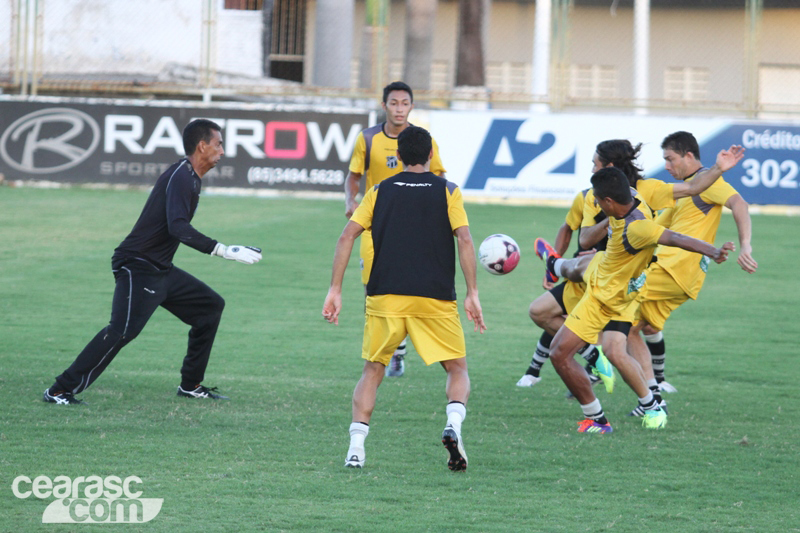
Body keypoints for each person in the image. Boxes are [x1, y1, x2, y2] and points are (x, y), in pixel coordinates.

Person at [43, 119, 262, 405]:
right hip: (137, 265)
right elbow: (178, 228)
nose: (223, 150)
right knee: (122, 331)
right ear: (202, 146)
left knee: (209, 308)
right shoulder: (183, 177)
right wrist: (223, 250)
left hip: (160, 270)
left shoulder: (191, 177)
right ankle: (59, 390)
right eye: (219, 144)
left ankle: (191, 385)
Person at [323, 126, 485, 471]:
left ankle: (356, 449)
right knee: (457, 368)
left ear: (399, 155)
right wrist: (472, 293)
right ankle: (453, 426)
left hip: (384, 296)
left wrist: (335, 289)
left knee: (372, 370)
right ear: (430, 155)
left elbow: (346, 235)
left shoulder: (380, 190)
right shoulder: (448, 191)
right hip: (434, 297)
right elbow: (466, 240)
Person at [538, 165, 736, 433]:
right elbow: (691, 187)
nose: (594, 202)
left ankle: (597, 419)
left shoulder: (638, 228)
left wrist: (714, 252)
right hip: (622, 283)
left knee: (559, 354)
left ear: (609, 201)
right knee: (583, 271)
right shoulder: (635, 196)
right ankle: (652, 405)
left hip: (604, 296)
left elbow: (675, 238)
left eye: (597, 198)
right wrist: (720, 167)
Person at [625, 131, 758, 415]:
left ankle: (593, 367)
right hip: (680, 278)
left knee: (612, 317)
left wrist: (745, 246)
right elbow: (656, 231)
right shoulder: (684, 190)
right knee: (634, 329)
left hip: (672, 270)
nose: (668, 166)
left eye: (670, 159)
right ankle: (653, 397)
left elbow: (740, 204)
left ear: (688, 155)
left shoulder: (708, 182)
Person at [345, 81, 447, 378]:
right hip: (375, 226)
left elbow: (439, 177)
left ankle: (396, 353)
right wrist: (351, 198)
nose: (399, 109)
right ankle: (387, 353)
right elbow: (353, 176)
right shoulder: (368, 138)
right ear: (384, 106)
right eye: (394, 103)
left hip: (413, 227)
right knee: (373, 288)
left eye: (404, 103)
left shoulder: (423, 140)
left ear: (411, 107)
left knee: (408, 286)